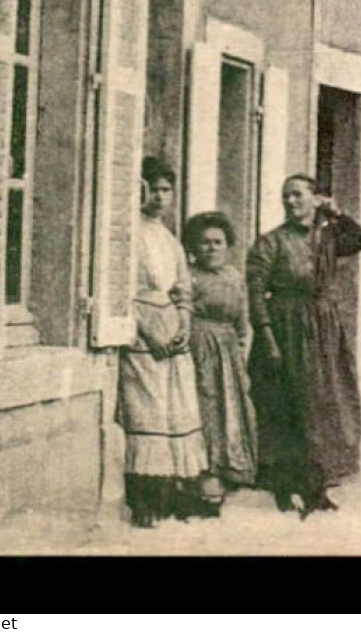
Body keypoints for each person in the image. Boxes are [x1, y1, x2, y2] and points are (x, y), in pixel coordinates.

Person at [247, 174, 361, 517]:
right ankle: (285, 488)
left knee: (323, 408)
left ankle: (317, 488)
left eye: (299, 195)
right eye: (286, 196)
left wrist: (336, 212)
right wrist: (267, 338)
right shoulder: (270, 243)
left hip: (323, 330)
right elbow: (256, 296)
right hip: (286, 328)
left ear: (314, 198)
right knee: (290, 408)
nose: (292, 202)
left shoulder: (328, 238)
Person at [117, 157, 209, 528]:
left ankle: (172, 494)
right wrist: (146, 333)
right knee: (147, 412)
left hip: (172, 334)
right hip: (142, 336)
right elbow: (120, 291)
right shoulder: (128, 234)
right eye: (152, 189)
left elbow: (183, 288)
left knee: (177, 412)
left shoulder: (169, 239)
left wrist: (184, 322)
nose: (158, 197)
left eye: (165, 190)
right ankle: (144, 501)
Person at [185, 211, 259, 510]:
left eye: (218, 242)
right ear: (193, 247)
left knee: (229, 411)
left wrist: (240, 356)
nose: (211, 248)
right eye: (204, 243)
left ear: (228, 246)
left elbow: (243, 326)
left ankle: (224, 472)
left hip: (228, 354)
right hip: (198, 348)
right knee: (204, 412)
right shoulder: (189, 276)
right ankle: (202, 478)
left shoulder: (234, 278)